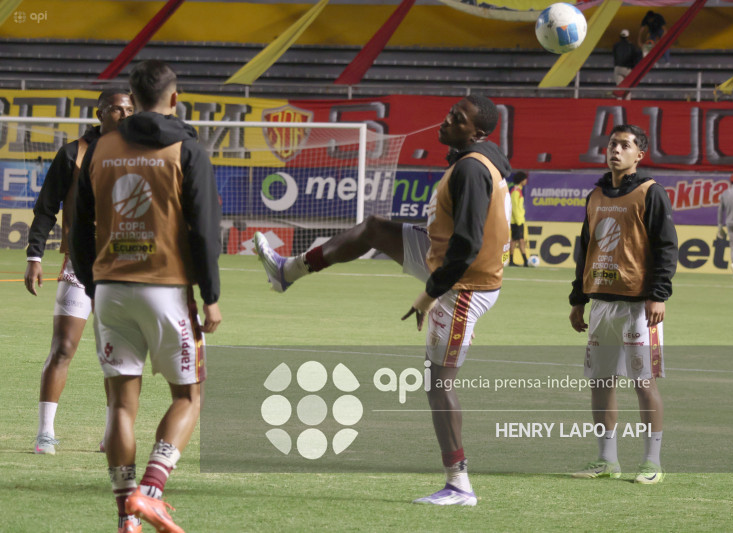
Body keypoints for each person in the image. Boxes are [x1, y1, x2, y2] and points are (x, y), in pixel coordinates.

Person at [253, 94, 511, 506]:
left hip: (461, 284)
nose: (445, 121)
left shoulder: (471, 170)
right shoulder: (477, 159)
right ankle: (287, 271)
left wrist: (429, 296)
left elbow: (467, 245)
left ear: (476, 132)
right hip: (441, 259)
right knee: (374, 228)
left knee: (437, 384)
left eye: (456, 119)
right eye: (448, 113)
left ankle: (459, 485)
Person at [70, 60, 222, 533]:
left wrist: (95, 285)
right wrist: (211, 295)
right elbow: (204, 229)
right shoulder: (187, 148)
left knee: (120, 405)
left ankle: (125, 519)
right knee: (189, 396)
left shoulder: (100, 149)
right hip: (166, 290)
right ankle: (151, 493)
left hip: (111, 289)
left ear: (130, 101)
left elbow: (78, 228)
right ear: (175, 99)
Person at [568, 124, 678, 485]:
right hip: (601, 303)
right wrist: (578, 300)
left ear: (638, 155)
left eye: (625, 145)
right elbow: (585, 250)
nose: (616, 149)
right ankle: (606, 460)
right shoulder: (596, 195)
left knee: (643, 383)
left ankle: (651, 462)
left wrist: (658, 294)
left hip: (638, 306)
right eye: (612, 143)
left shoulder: (651, 192)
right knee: (601, 383)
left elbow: (666, 246)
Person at [26, 89, 134, 455]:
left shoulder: (141, 153)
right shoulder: (73, 153)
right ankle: (45, 433)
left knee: (118, 354)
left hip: (123, 266)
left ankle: (111, 436)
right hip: (80, 264)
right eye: (117, 109)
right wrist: (34, 256)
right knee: (63, 348)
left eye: (130, 109)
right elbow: (46, 207)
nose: (124, 115)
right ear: (100, 112)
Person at [508, 171, 529, 266]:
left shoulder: (518, 190)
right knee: (516, 240)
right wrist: (518, 221)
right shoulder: (516, 191)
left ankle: (523, 261)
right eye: (525, 179)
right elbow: (515, 208)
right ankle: (521, 261)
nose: (526, 181)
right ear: (521, 180)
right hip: (517, 221)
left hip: (518, 220)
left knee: (517, 240)